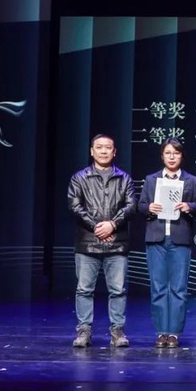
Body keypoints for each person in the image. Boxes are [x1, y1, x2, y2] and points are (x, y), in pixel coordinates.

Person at [67, 134, 136, 348]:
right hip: (88, 242)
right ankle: (84, 331)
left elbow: (131, 206)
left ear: (114, 152)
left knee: (118, 290)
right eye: (99, 147)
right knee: (84, 290)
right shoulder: (79, 178)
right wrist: (97, 227)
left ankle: (117, 331)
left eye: (108, 148)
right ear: (92, 151)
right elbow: (75, 205)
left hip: (117, 243)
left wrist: (112, 225)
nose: (104, 151)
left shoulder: (124, 178)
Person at [138, 139, 196, 349]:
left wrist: (189, 206)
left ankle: (174, 333)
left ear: (181, 156)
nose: (172, 157)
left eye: (176, 153)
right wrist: (149, 208)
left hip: (180, 238)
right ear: (162, 156)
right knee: (158, 288)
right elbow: (140, 206)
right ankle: (161, 332)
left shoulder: (191, 180)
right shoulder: (151, 180)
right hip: (156, 238)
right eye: (168, 153)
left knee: (178, 288)